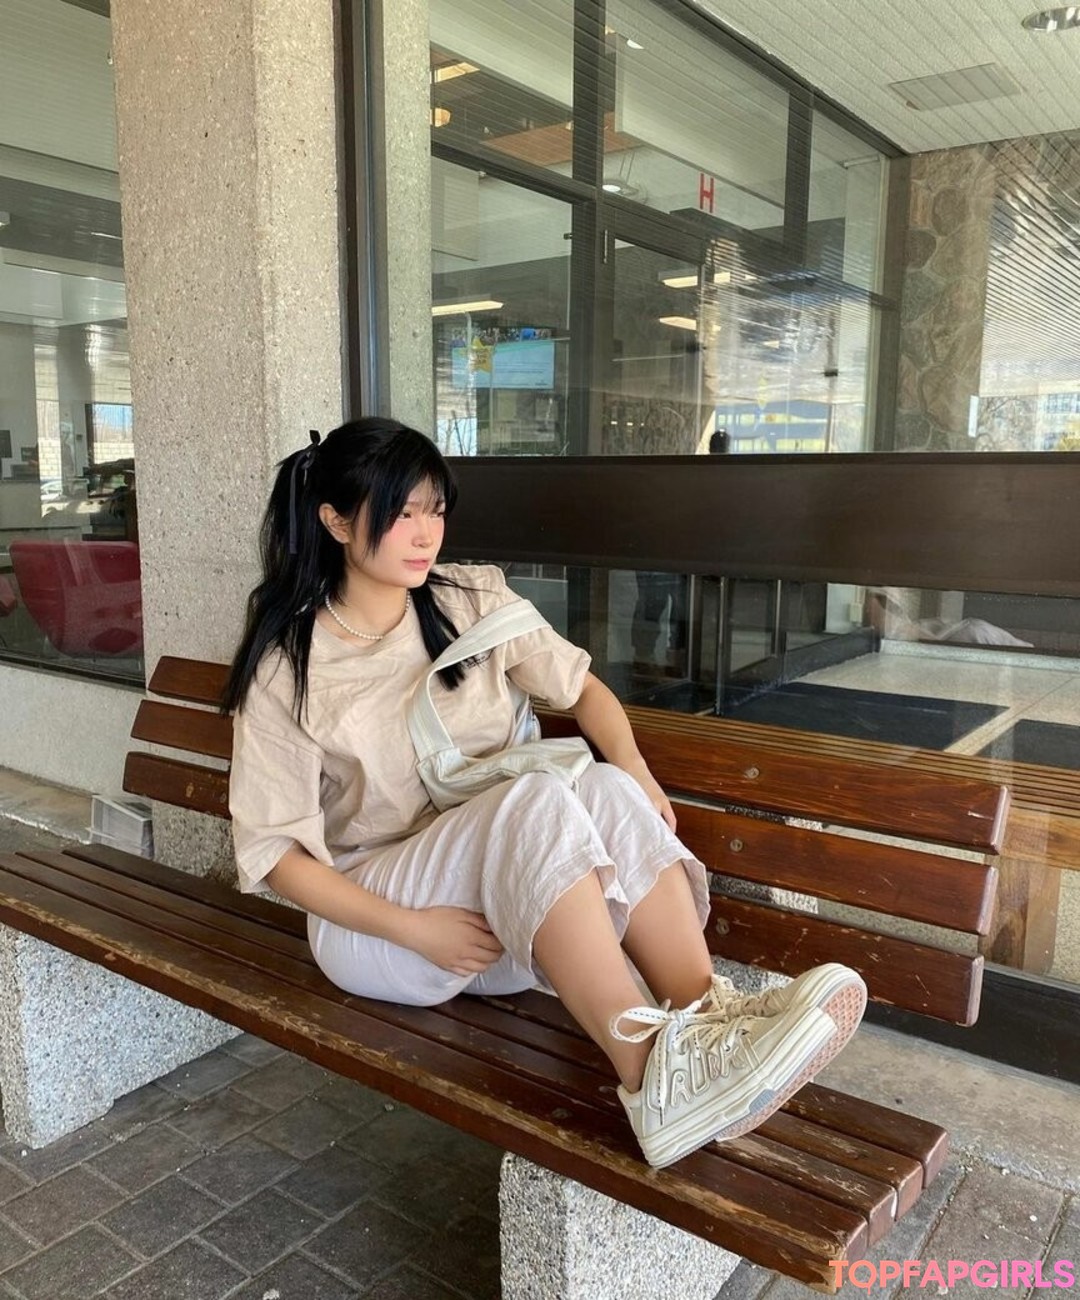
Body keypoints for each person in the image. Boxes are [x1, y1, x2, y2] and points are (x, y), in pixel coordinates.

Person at [224, 417, 867, 1170]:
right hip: (384, 928)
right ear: (336, 521)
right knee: (533, 797)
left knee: (602, 785)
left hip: (508, 917)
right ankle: (650, 1075)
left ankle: (707, 1023)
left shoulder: (471, 599)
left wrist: (636, 771)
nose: (426, 534)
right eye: (401, 513)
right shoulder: (290, 666)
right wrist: (415, 929)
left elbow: (585, 691)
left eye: (436, 510)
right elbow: (277, 857)